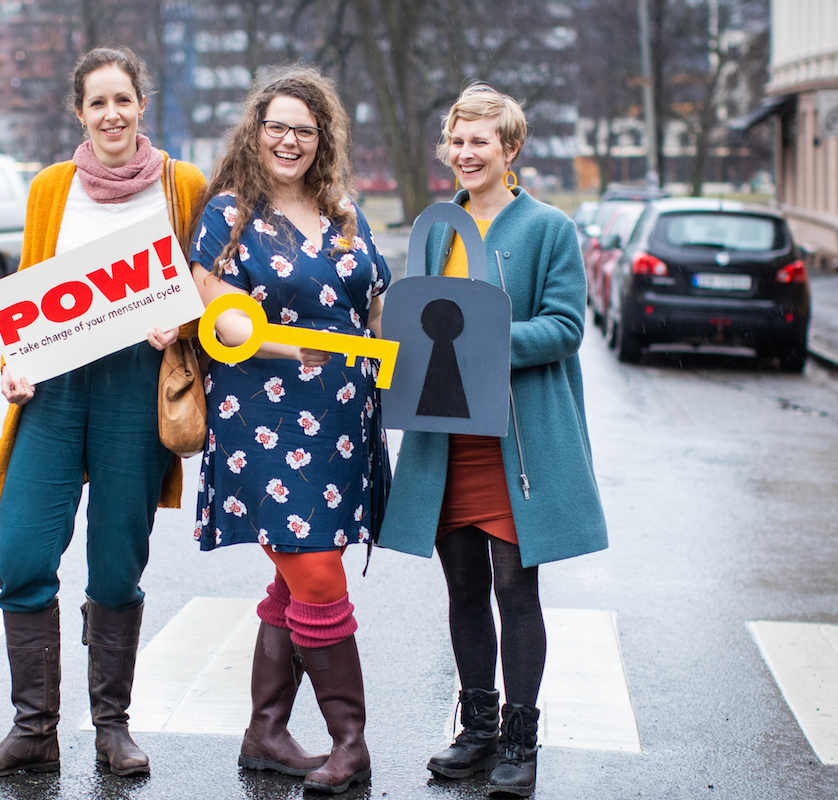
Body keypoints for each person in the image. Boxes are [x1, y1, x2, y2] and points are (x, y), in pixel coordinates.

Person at [0, 46, 207, 779]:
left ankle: (112, 728)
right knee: (23, 550)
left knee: (116, 560)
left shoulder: (182, 185)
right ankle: (32, 729)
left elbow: (215, 281)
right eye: (97, 103)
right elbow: (32, 295)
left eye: (122, 100)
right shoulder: (50, 189)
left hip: (137, 389)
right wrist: (13, 368)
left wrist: (186, 324)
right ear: (79, 113)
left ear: (141, 105)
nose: (111, 114)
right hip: (58, 392)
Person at [378, 84, 608, 798]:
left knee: (515, 586)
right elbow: (417, 321)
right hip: (446, 438)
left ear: (511, 149)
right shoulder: (437, 229)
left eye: (483, 141)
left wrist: (483, 342)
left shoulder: (546, 229)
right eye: (458, 140)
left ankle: (519, 738)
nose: (468, 152)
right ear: (446, 148)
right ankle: (475, 730)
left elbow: (565, 328)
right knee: (464, 587)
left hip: (513, 443)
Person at [190, 67, 391, 795]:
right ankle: (351, 742)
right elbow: (219, 315)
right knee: (317, 573)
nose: (288, 139)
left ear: (322, 139)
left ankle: (266, 732)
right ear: (256, 130)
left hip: (344, 418)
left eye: (303, 129)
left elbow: (377, 307)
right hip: (265, 416)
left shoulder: (343, 210)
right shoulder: (228, 215)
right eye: (276, 125)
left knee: (294, 572)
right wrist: (292, 344)